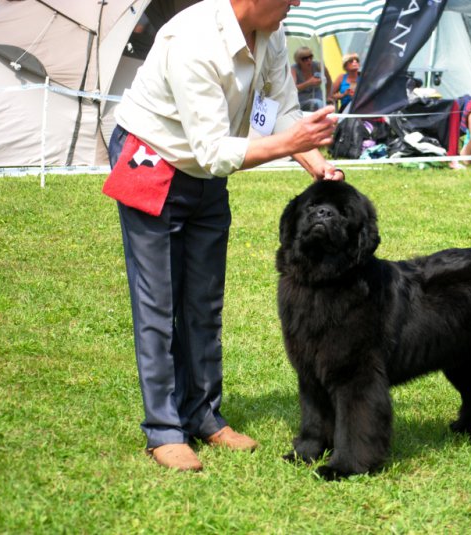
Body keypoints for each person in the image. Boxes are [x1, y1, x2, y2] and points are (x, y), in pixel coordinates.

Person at [105, 0, 343, 472]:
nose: (296, 3)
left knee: (204, 299)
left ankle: (204, 415)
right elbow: (214, 151)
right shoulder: (192, 41)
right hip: (155, 158)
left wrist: (317, 166)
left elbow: (280, 110)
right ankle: (164, 429)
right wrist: (289, 145)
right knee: (160, 302)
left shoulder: (270, 31)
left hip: (206, 172)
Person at [291, 46, 333, 112]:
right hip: (302, 101)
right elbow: (293, 88)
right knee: (318, 104)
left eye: (310, 57)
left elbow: (329, 81)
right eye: (305, 59)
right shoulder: (294, 69)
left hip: (319, 98)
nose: (309, 60)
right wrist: (309, 83)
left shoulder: (319, 66)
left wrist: (328, 96)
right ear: (298, 60)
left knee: (327, 105)